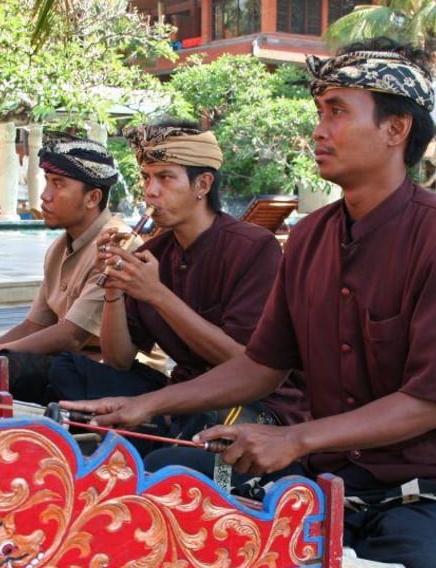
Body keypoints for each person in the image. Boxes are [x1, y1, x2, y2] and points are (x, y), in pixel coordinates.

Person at [62, 38, 436, 568]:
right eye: (319, 112)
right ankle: (308, 556)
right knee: (164, 484)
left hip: (433, 482)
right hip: (328, 475)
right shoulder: (307, 239)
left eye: (337, 110)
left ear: (396, 129)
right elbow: (262, 365)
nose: (319, 129)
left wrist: (296, 439)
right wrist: (144, 402)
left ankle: (306, 556)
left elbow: (432, 400)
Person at [48, 120, 306, 472]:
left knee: (167, 463)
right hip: (179, 394)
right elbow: (119, 360)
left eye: (165, 178)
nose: (150, 191)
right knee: (65, 368)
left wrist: (157, 294)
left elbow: (246, 363)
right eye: (145, 177)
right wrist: (113, 289)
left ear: (202, 184)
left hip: (256, 402)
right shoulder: (156, 251)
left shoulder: (252, 248)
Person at [0, 137, 130, 402]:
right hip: (68, 361)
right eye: (47, 181)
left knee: (5, 366)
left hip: (104, 374)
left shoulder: (118, 244)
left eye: (58, 184)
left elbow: (71, 337)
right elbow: (33, 325)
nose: (44, 195)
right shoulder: (58, 249)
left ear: (93, 198)